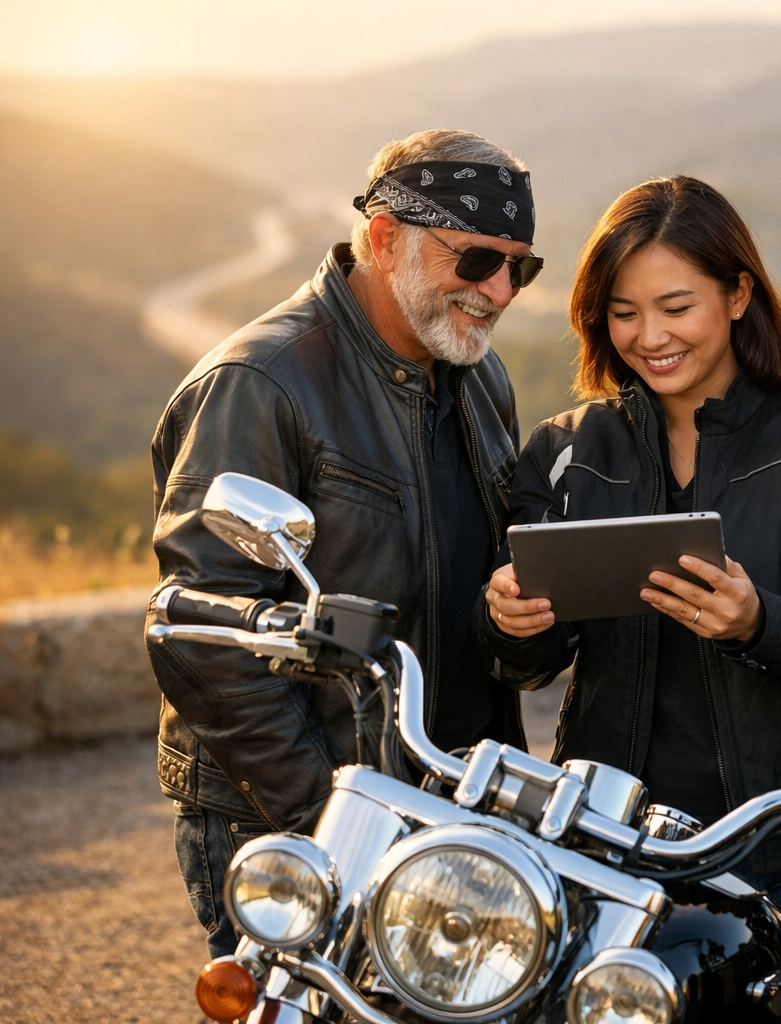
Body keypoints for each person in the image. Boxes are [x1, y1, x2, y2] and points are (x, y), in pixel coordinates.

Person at [477, 175, 781, 1023]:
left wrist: (759, 623)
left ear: (739, 292)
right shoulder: (565, 453)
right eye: (623, 313)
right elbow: (522, 660)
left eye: (675, 307)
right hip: (608, 847)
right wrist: (512, 621)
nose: (650, 337)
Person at [146, 129, 540, 959]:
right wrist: (331, 820)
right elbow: (201, 634)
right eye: (475, 261)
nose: (501, 290)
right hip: (301, 826)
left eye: (521, 267)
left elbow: (468, 585)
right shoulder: (260, 382)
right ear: (386, 236)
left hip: (448, 815)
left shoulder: (479, 375)